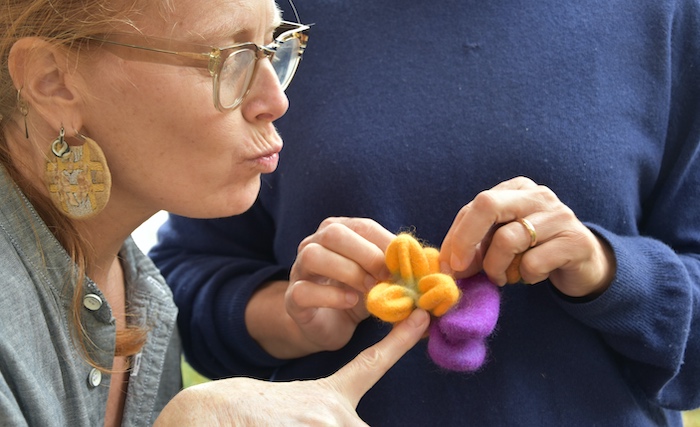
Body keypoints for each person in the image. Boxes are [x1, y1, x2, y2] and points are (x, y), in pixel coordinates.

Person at [150, 0, 700, 425]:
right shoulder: (275, 17)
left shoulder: (668, 14)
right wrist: (295, 320)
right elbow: (182, 283)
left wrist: (610, 274)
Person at [0, 0, 432, 425]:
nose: (275, 101)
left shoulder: (140, 288)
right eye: (230, 57)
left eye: (271, 47)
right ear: (52, 81)